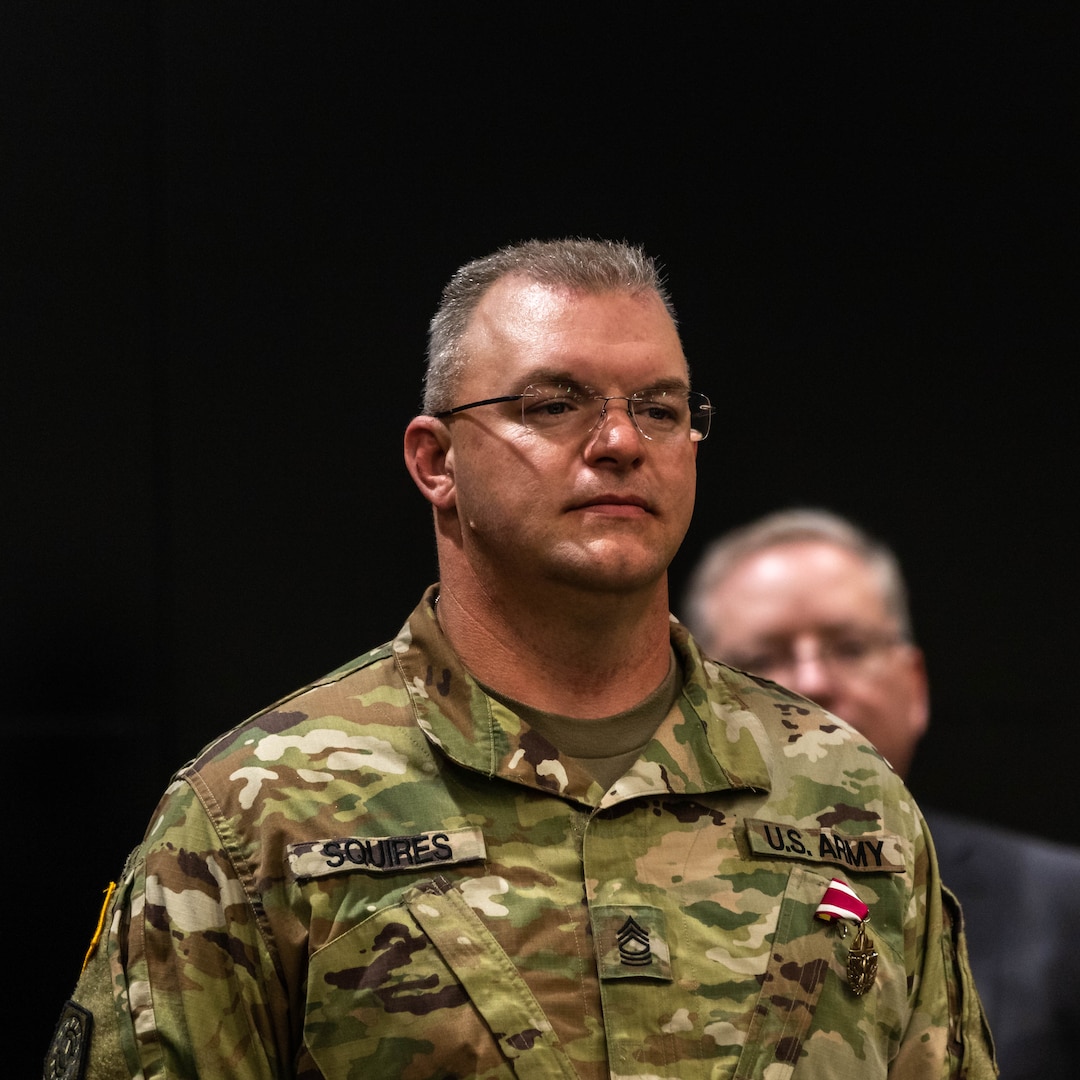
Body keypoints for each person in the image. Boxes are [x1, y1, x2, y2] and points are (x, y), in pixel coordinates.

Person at [46, 241, 996, 1079]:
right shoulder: (259, 810)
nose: (621, 442)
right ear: (436, 461)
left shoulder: (848, 797)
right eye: (555, 404)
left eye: (660, 411)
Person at [683, 507, 1080, 1080]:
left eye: (849, 646)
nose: (812, 681)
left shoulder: (1059, 905)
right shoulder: (641, 894)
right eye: (761, 660)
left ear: (915, 687)